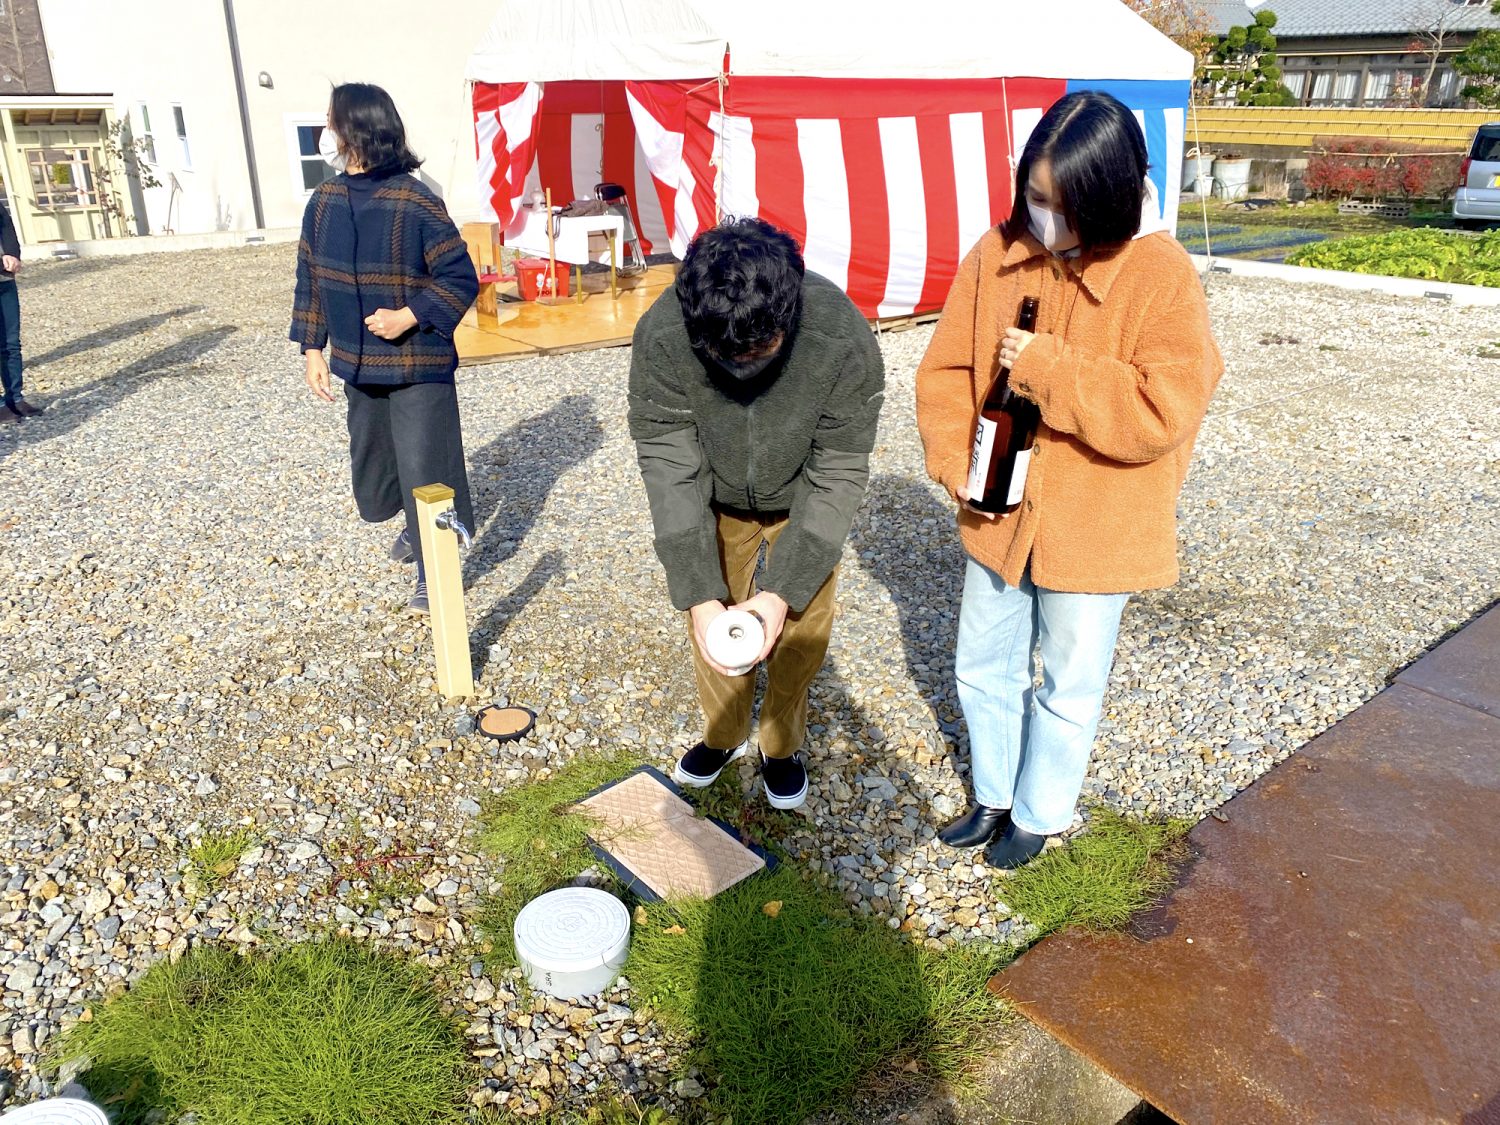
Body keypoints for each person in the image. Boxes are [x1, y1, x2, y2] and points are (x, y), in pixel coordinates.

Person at [915, 91, 1222, 869]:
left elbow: (1163, 409)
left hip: (1098, 523)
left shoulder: (1161, 276)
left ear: (1112, 197)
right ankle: (991, 792)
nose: (1043, 220)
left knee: (1069, 679)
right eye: (1034, 196)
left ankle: (1040, 809)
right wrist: (956, 463)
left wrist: (1051, 368)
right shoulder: (997, 251)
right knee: (981, 659)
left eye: (1063, 205)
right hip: (995, 508)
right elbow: (947, 370)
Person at [628, 217, 885, 810]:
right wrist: (695, 590)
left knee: (800, 628)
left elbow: (838, 469)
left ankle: (781, 742)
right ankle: (722, 734)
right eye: (723, 354)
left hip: (802, 496)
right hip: (717, 497)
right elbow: (669, 461)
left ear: (791, 310)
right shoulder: (665, 331)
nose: (740, 368)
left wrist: (780, 592)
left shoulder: (840, 335)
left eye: (758, 351)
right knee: (713, 621)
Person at [291, 82, 478, 613]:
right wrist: (312, 349)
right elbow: (310, 275)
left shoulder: (415, 200)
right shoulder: (323, 201)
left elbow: (460, 278)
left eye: (331, 121)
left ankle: (434, 564)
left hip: (418, 362)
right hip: (357, 363)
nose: (325, 132)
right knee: (375, 476)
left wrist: (410, 315)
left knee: (427, 466)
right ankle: (413, 528)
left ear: (355, 130)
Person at [0, 199, 38, 424]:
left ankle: (15, 398)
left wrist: (13, 254)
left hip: (4, 280)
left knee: (11, 344)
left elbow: (5, 224)